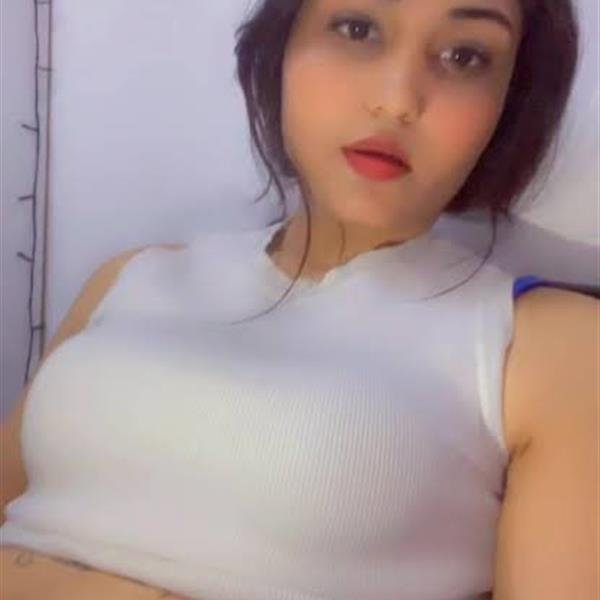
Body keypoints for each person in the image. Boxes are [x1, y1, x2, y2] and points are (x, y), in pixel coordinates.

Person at [1, 1, 597, 599]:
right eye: (358, 29)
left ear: (511, 102)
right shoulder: (129, 277)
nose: (396, 100)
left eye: (464, 57)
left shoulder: (547, 346)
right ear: (281, 45)